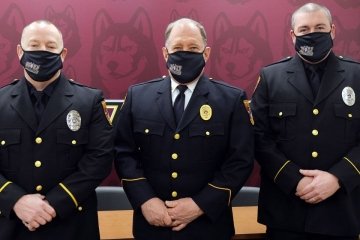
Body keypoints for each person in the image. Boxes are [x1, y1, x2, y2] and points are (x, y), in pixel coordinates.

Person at [114, 18, 254, 240]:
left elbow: (240, 160)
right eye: (178, 47)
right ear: (165, 53)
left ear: (206, 53)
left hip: (209, 225)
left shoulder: (230, 99)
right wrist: (145, 200)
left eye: (193, 48)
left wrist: (200, 205)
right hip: (151, 224)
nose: (185, 53)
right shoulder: (138, 96)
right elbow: (123, 153)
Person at [251, 3, 360, 240]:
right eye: (304, 29)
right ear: (293, 35)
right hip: (286, 210)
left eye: (319, 27)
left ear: (332, 31)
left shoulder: (357, 76)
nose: (312, 34)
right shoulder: (271, 77)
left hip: (341, 211)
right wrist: (294, 180)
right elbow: (259, 138)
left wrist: (338, 177)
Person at [0, 20, 113, 240]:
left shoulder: (89, 101)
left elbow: (99, 160)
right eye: (34, 45)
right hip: (12, 225)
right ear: (19, 51)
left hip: (71, 225)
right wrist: (15, 200)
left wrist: (53, 204)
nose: (42, 51)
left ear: (62, 54)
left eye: (51, 46)